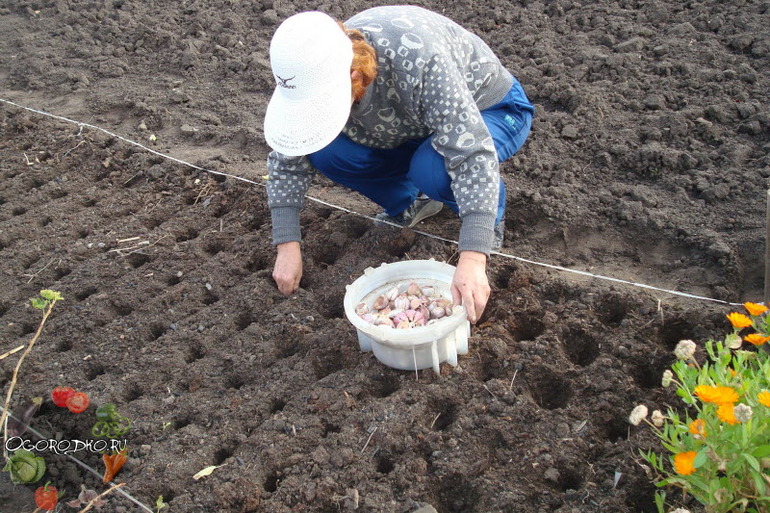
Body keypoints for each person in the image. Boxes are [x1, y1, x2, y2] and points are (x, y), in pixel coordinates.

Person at [263, 6, 534, 323]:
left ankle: (491, 219)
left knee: (433, 168)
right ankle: (412, 202)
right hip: (413, 124)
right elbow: (288, 155)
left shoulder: (417, 61)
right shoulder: (307, 68)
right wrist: (287, 245)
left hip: (490, 109)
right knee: (327, 151)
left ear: (353, 76)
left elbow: (470, 151)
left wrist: (473, 256)